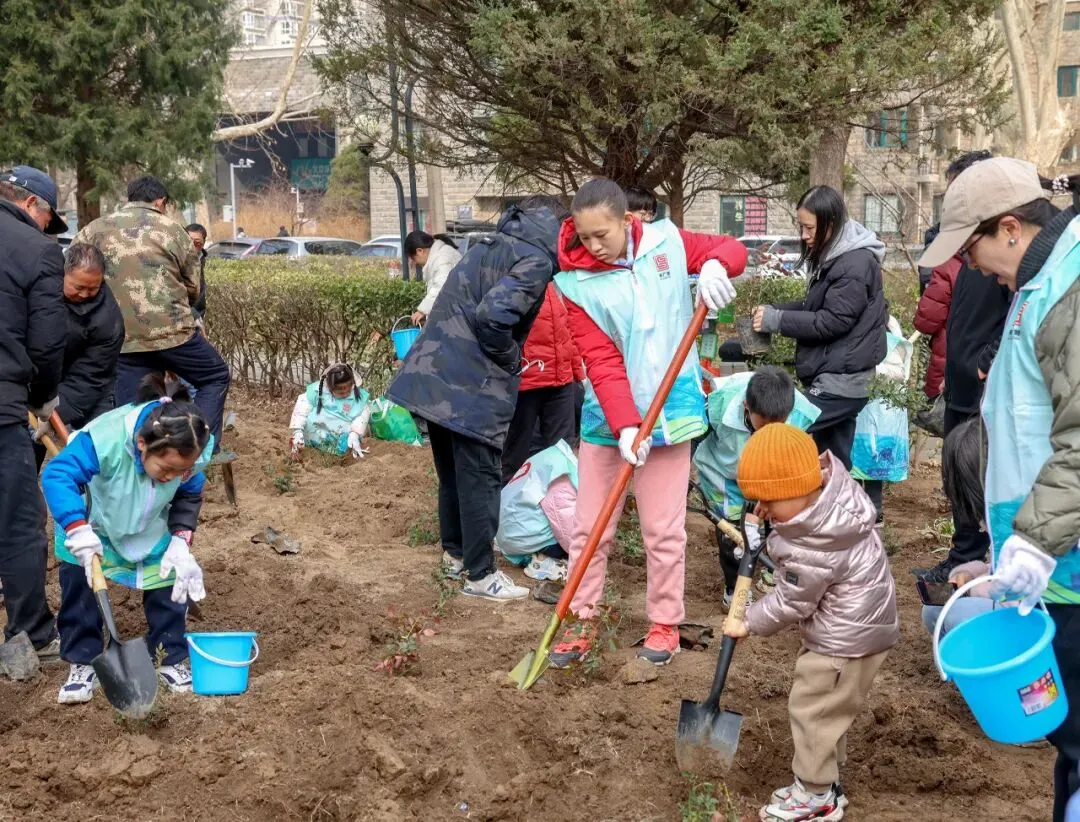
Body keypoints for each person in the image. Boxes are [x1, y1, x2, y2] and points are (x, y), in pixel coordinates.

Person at [918, 156, 1080, 821]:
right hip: (1056, 563)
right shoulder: (1039, 284)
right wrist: (1006, 549)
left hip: (1068, 562)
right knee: (1070, 742)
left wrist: (1034, 544)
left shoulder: (1069, 288)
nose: (973, 270)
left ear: (1010, 227)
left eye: (971, 251)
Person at [549, 178, 747, 667]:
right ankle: (581, 619)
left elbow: (731, 248)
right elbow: (601, 360)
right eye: (584, 236)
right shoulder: (574, 283)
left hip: (671, 413)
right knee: (590, 528)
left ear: (627, 220)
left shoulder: (667, 242)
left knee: (663, 530)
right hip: (607, 421)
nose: (593, 245)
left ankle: (664, 625)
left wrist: (718, 265)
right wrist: (624, 425)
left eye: (602, 234)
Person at [386, 196, 571, 602]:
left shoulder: (491, 244)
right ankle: (481, 574)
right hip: (472, 383)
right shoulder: (536, 260)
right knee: (481, 478)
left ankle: (455, 557)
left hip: (434, 373)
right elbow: (492, 316)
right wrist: (511, 359)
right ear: (557, 227)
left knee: (453, 475)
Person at [724, 424, 898, 822]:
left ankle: (815, 795)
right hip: (858, 627)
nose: (763, 508)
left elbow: (791, 600)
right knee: (829, 709)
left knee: (813, 709)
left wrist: (747, 622)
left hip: (844, 639)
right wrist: (765, 521)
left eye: (769, 500)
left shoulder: (814, 542)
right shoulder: (828, 509)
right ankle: (823, 783)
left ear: (800, 488)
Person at [41, 374, 212, 702]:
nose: (173, 477)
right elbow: (58, 474)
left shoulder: (194, 445)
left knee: (169, 579)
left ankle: (169, 657)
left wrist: (181, 538)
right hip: (94, 522)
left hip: (149, 523)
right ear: (142, 444)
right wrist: (77, 528)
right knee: (80, 587)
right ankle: (83, 661)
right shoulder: (105, 438)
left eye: (181, 470)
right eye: (166, 469)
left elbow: (190, 492)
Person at [752, 185, 887, 512]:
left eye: (810, 228)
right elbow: (815, 307)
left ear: (832, 222)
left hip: (841, 382)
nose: (804, 235)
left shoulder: (854, 264)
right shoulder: (838, 257)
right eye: (801, 227)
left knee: (782, 433)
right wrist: (774, 310)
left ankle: (788, 513)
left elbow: (831, 321)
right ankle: (845, 520)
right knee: (833, 461)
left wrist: (777, 320)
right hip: (840, 376)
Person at [75, 176, 231, 453]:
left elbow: (73, 270)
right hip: (173, 335)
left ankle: (140, 455)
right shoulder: (173, 231)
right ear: (161, 202)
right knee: (215, 376)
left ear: (130, 198)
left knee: (133, 407)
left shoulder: (94, 230)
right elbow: (193, 288)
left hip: (122, 338)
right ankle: (197, 447)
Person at [914, 150, 1010, 584]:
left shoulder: (1002, 256)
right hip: (959, 386)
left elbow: (1014, 317)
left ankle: (984, 560)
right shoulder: (966, 252)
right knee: (958, 480)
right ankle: (962, 555)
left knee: (981, 479)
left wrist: (987, 360)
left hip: (983, 392)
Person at [0, 165, 68, 661]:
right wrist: (42, 398)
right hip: (3, 404)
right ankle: (31, 635)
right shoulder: (37, 250)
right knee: (20, 522)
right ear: (30, 204)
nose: (48, 229)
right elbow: (46, 344)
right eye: (49, 218)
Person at [693, 366, 820, 608]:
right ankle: (734, 591)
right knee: (732, 535)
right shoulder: (720, 405)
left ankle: (775, 574)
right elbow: (695, 435)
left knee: (780, 521)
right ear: (746, 408)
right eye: (762, 427)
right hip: (724, 474)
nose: (766, 435)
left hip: (773, 473)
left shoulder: (801, 413)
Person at [31, 243, 125, 470]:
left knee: (97, 455)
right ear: (62, 273)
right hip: (35, 378)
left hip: (89, 387)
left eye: (93, 289)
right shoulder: (39, 289)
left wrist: (54, 413)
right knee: (23, 449)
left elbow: (90, 377)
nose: (84, 294)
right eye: (78, 287)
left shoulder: (108, 320)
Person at [919, 417, 996, 636]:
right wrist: (969, 573)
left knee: (955, 614)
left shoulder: (1025, 518)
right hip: (1007, 596)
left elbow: (1020, 590)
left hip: (1041, 612)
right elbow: (1000, 567)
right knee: (933, 611)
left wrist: (971, 590)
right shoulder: (995, 514)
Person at [289, 363, 371, 459]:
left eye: (348, 390)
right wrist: (298, 431)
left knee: (346, 444)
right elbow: (301, 411)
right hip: (313, 435)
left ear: (352, 384)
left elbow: (361, 417)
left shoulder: (359, 398)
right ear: (329, 386)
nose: (345, 393)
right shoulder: (317, 391)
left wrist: (355, 434)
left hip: (341, 438)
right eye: (340, 391)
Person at [913, 257, 958, 402]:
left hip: (949, 352)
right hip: (989, 360)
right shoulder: (1001, 264)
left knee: (942, 406)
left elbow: (926, 320)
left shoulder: (950, 264)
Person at [406, 231, 463, 325]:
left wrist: (422, 311)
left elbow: (441, 286)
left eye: (413, 259)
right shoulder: (441, 253)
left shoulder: (441, 259)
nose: (415, 263)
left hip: (457, 317)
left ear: (420, 251)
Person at [185, 223, 209, 325]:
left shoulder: (201, 259)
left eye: (197, 243)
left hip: (197, 318)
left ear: (203, 243)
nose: (192, 247)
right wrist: (193, 314)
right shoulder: (175, 261)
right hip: (182, 318)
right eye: (188, 242)